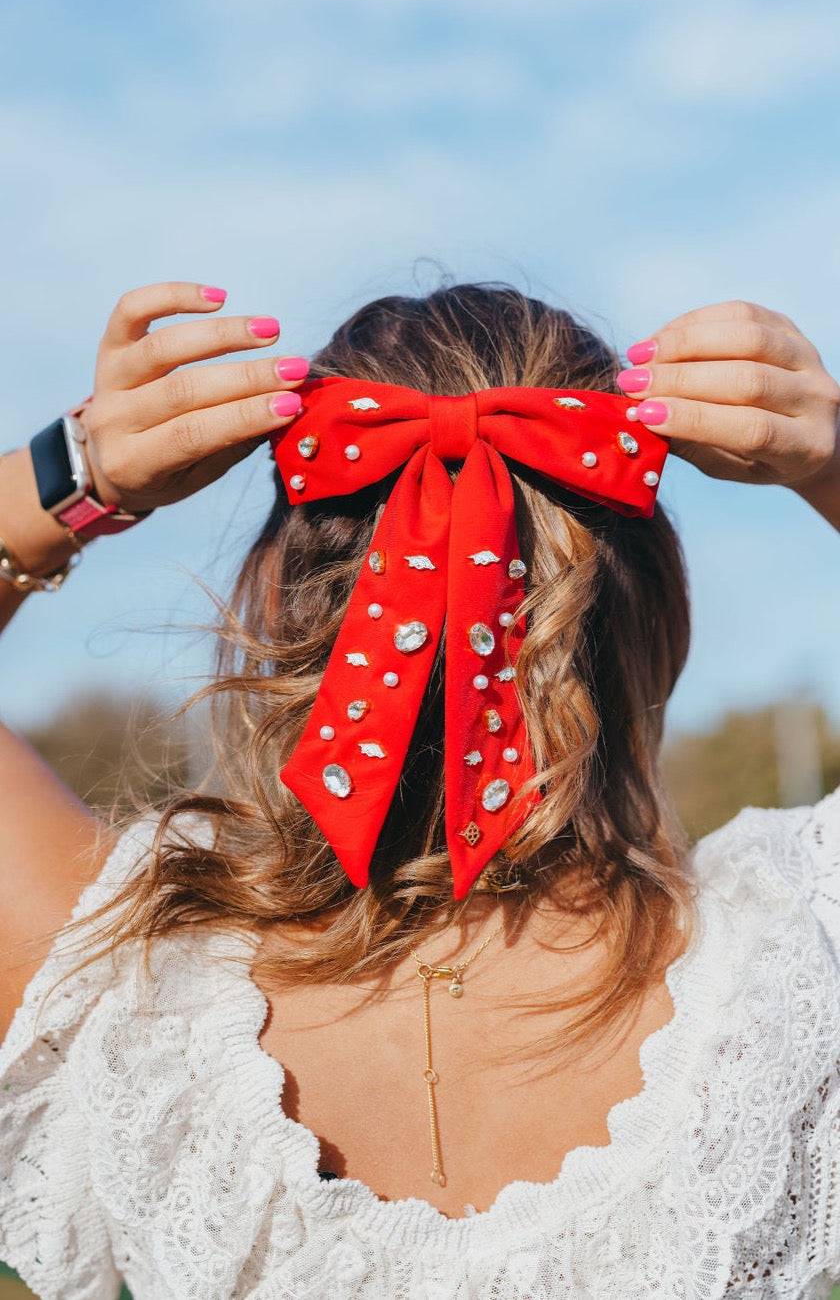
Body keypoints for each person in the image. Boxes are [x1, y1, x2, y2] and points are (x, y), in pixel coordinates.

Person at [0, 281, 839, 1300]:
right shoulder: (797, 949)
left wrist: (75, 475)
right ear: (655, 604)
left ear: (275, 593)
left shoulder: (119, 971)